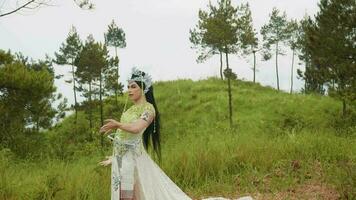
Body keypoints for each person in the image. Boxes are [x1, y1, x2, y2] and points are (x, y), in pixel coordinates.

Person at [99, 67, 253, 200]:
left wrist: (117, 124)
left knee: (127, 194)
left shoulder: (148, 109)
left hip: (133, 160)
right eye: (128, 87)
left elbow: (136, 128)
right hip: (122, 159)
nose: (129, 90)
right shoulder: (130, 110)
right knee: (122, 194)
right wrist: (114, 157)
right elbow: (124, 137)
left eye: (133, 87)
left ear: (143, 88)